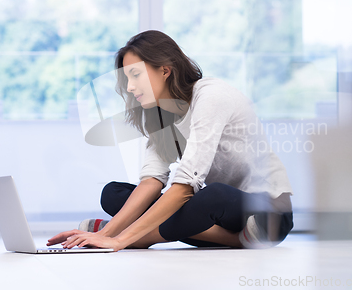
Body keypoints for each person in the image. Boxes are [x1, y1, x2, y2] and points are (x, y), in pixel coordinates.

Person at [47, 30, 293, 251]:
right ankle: (235, 239)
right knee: (114, 194)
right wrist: (107, 234)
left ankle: (135, 235)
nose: (130, 87)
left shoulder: (211, 96)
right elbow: (152, 181)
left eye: (135, 75)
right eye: (127, 79)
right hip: (220, 217)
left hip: (266, 213)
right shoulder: (160, 116)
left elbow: (186, 186)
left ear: (165, 70)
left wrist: (119, 239)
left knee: (208, 196)